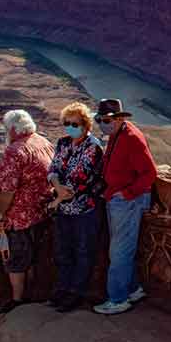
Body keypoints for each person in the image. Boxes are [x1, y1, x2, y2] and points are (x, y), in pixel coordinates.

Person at [93, 99, 157, 315]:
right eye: (99, 120)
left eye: (106, 120)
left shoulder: (131, 139)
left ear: (119, 118)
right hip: (118, 199)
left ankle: (118, 299)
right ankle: (133, 289)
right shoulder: (117, 134)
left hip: (128, 202)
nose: (102, 123)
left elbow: (149, 174)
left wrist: (126, 193)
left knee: (119, 251)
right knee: (122, 249)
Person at [0, 110, 55, 314]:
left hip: (19, 217)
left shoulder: (15, 151)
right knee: (33, 256)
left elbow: (8, 190)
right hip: (41, 212)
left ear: (11, 129)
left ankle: (18, 300)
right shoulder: (42, 142)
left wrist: (0, 214)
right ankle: (33, 294)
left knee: (16, 259)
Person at [46, 102, 105, 312]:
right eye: (67, 123)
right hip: (64, 210)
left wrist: (58, 198)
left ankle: (76, 293)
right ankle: (62, 288)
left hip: (84, 210)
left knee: (83, 252)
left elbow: (82, 179)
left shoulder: (93, 147)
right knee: (63, 251)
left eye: (75, 123)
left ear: (86, 125)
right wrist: (57, 188)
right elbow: (53, 168)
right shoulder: (62, 143)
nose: (70, 127)